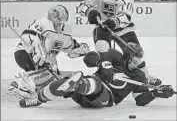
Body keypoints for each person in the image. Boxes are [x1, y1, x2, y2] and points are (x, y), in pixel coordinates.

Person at [17, 42, 175, 108]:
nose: (136, 64)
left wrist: (154, 93)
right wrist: (101, 63)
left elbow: (140, 101)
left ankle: (78, 84)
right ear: (126, 56)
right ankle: (37, 99)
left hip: (106, 99)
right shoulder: (114, 56)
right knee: (63, 83)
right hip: (83, 95)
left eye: (138, 62)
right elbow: (89, 57)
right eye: (134, 60)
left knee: (96, 84)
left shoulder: (139, 76)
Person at [78, 0, 161, 86]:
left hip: (123, 29)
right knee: (102, 50)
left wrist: (113, 22)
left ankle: (146, 77)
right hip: (102, 27)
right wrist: (90, 12)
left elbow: (126, 17)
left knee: (134, 54)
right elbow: (83, 6)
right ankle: (104, 74)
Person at [8, 5, 90, 100]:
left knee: (53, 74)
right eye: (58, 18)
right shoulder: (42, 23)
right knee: (49, 72)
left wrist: (81, 49)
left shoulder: (66, 31)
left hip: (46, 61)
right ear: (51, 16)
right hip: (25, 53)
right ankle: (18, 84)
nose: (61, 22)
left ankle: (32, 83)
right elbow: (28, 35)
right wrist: (37, 51)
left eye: (63, 19)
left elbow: (69, 47)